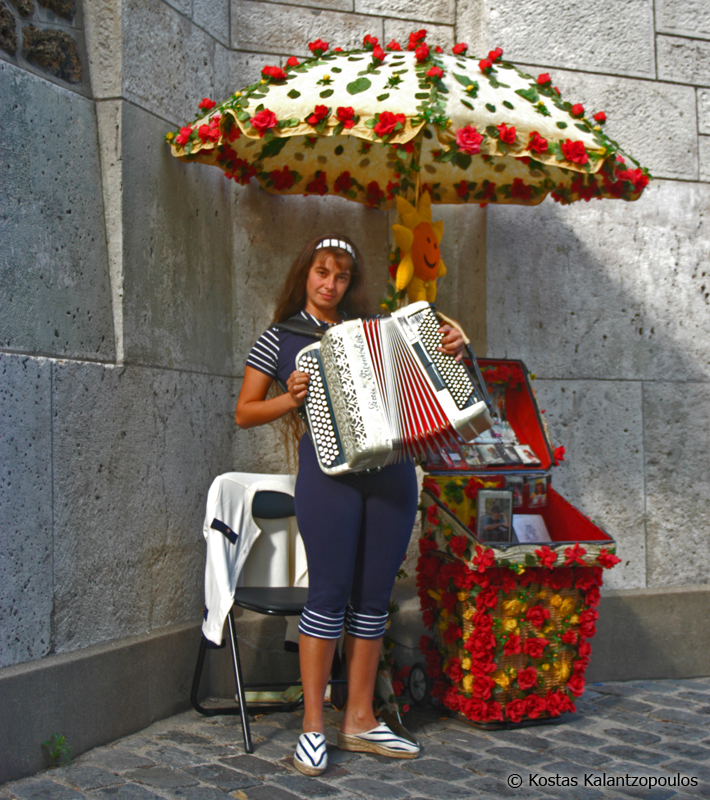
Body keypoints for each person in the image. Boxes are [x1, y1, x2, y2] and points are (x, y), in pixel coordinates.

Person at [235, 234, 464, 776]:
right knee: (328, 596)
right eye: (321, 272)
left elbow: (434, 372)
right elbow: (244, 412)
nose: (329, 284)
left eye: (340, 276)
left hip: (392, 477)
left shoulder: (380, 332)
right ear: (305, 275)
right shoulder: (279, 337)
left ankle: (359, 718)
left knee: (372, 600)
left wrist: (450, 343)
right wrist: (289, 400)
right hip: (329, 479)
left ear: (349, 283)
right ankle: (313, 726)